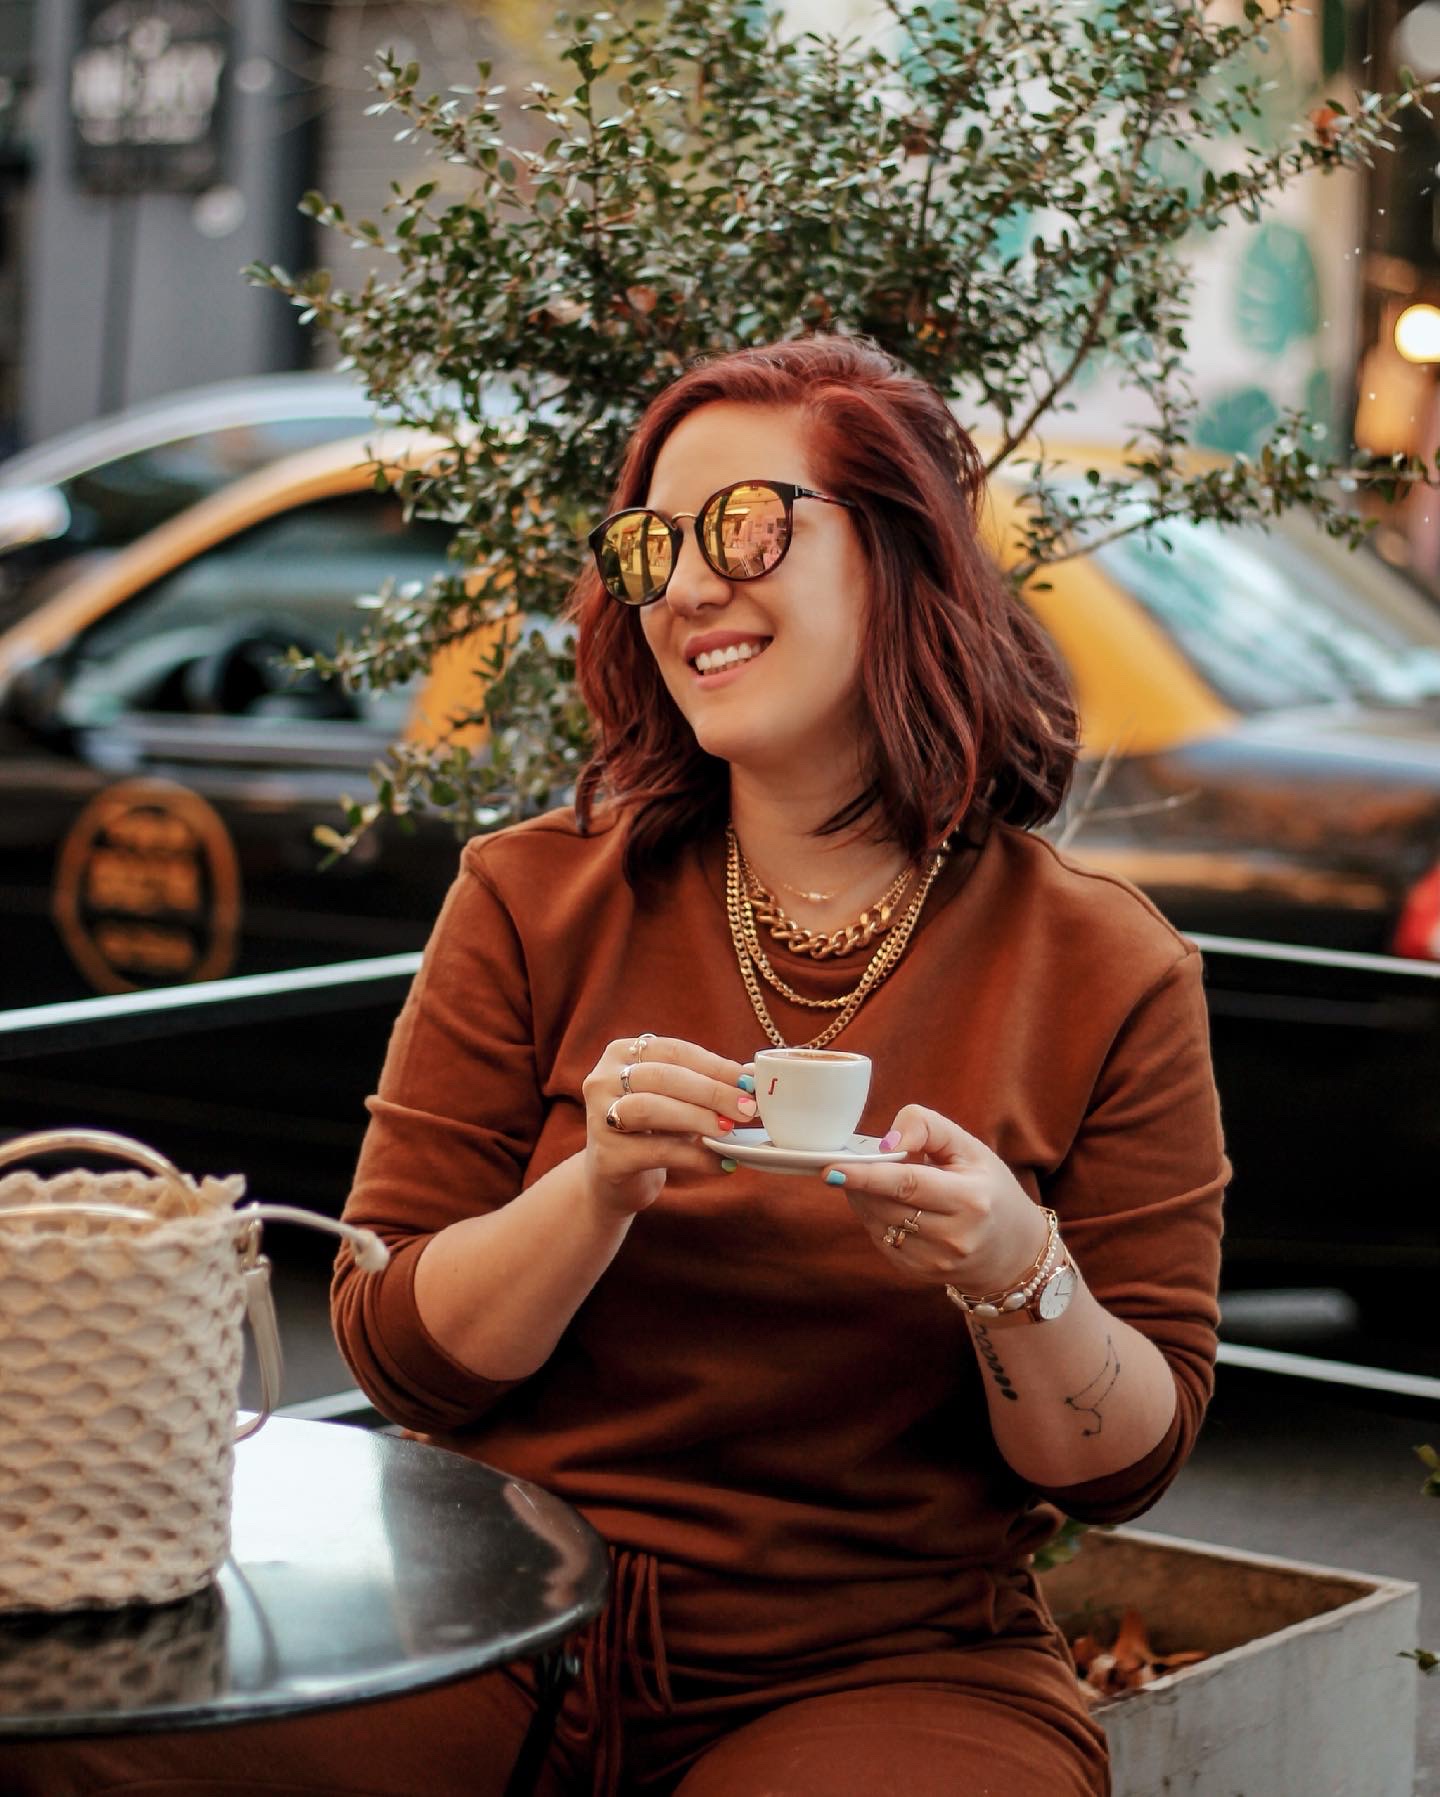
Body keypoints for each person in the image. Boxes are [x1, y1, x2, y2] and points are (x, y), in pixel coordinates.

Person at [5, 337, 1226, 1796]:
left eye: (747, 526)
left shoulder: (1105, 964)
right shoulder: (533, 895)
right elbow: (396, 1348)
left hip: (884, 1667)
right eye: (654, 544)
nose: (687, 584)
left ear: (905, 558)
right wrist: (592, 1192)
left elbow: (1119, 1460)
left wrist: (1019, 1270)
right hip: (482, 1627)